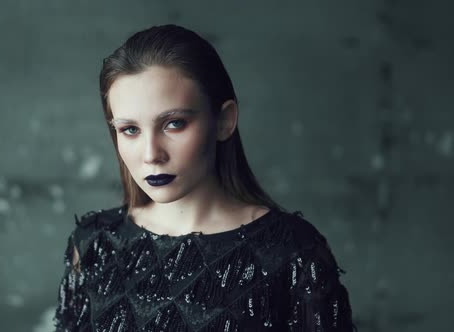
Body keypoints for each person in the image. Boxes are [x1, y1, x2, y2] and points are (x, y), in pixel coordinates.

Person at [54, 24, 356, 331]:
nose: (150, 154)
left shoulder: (292, 252)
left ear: (225, 120)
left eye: (174, 124)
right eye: (129, 130)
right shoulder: (94, 243)